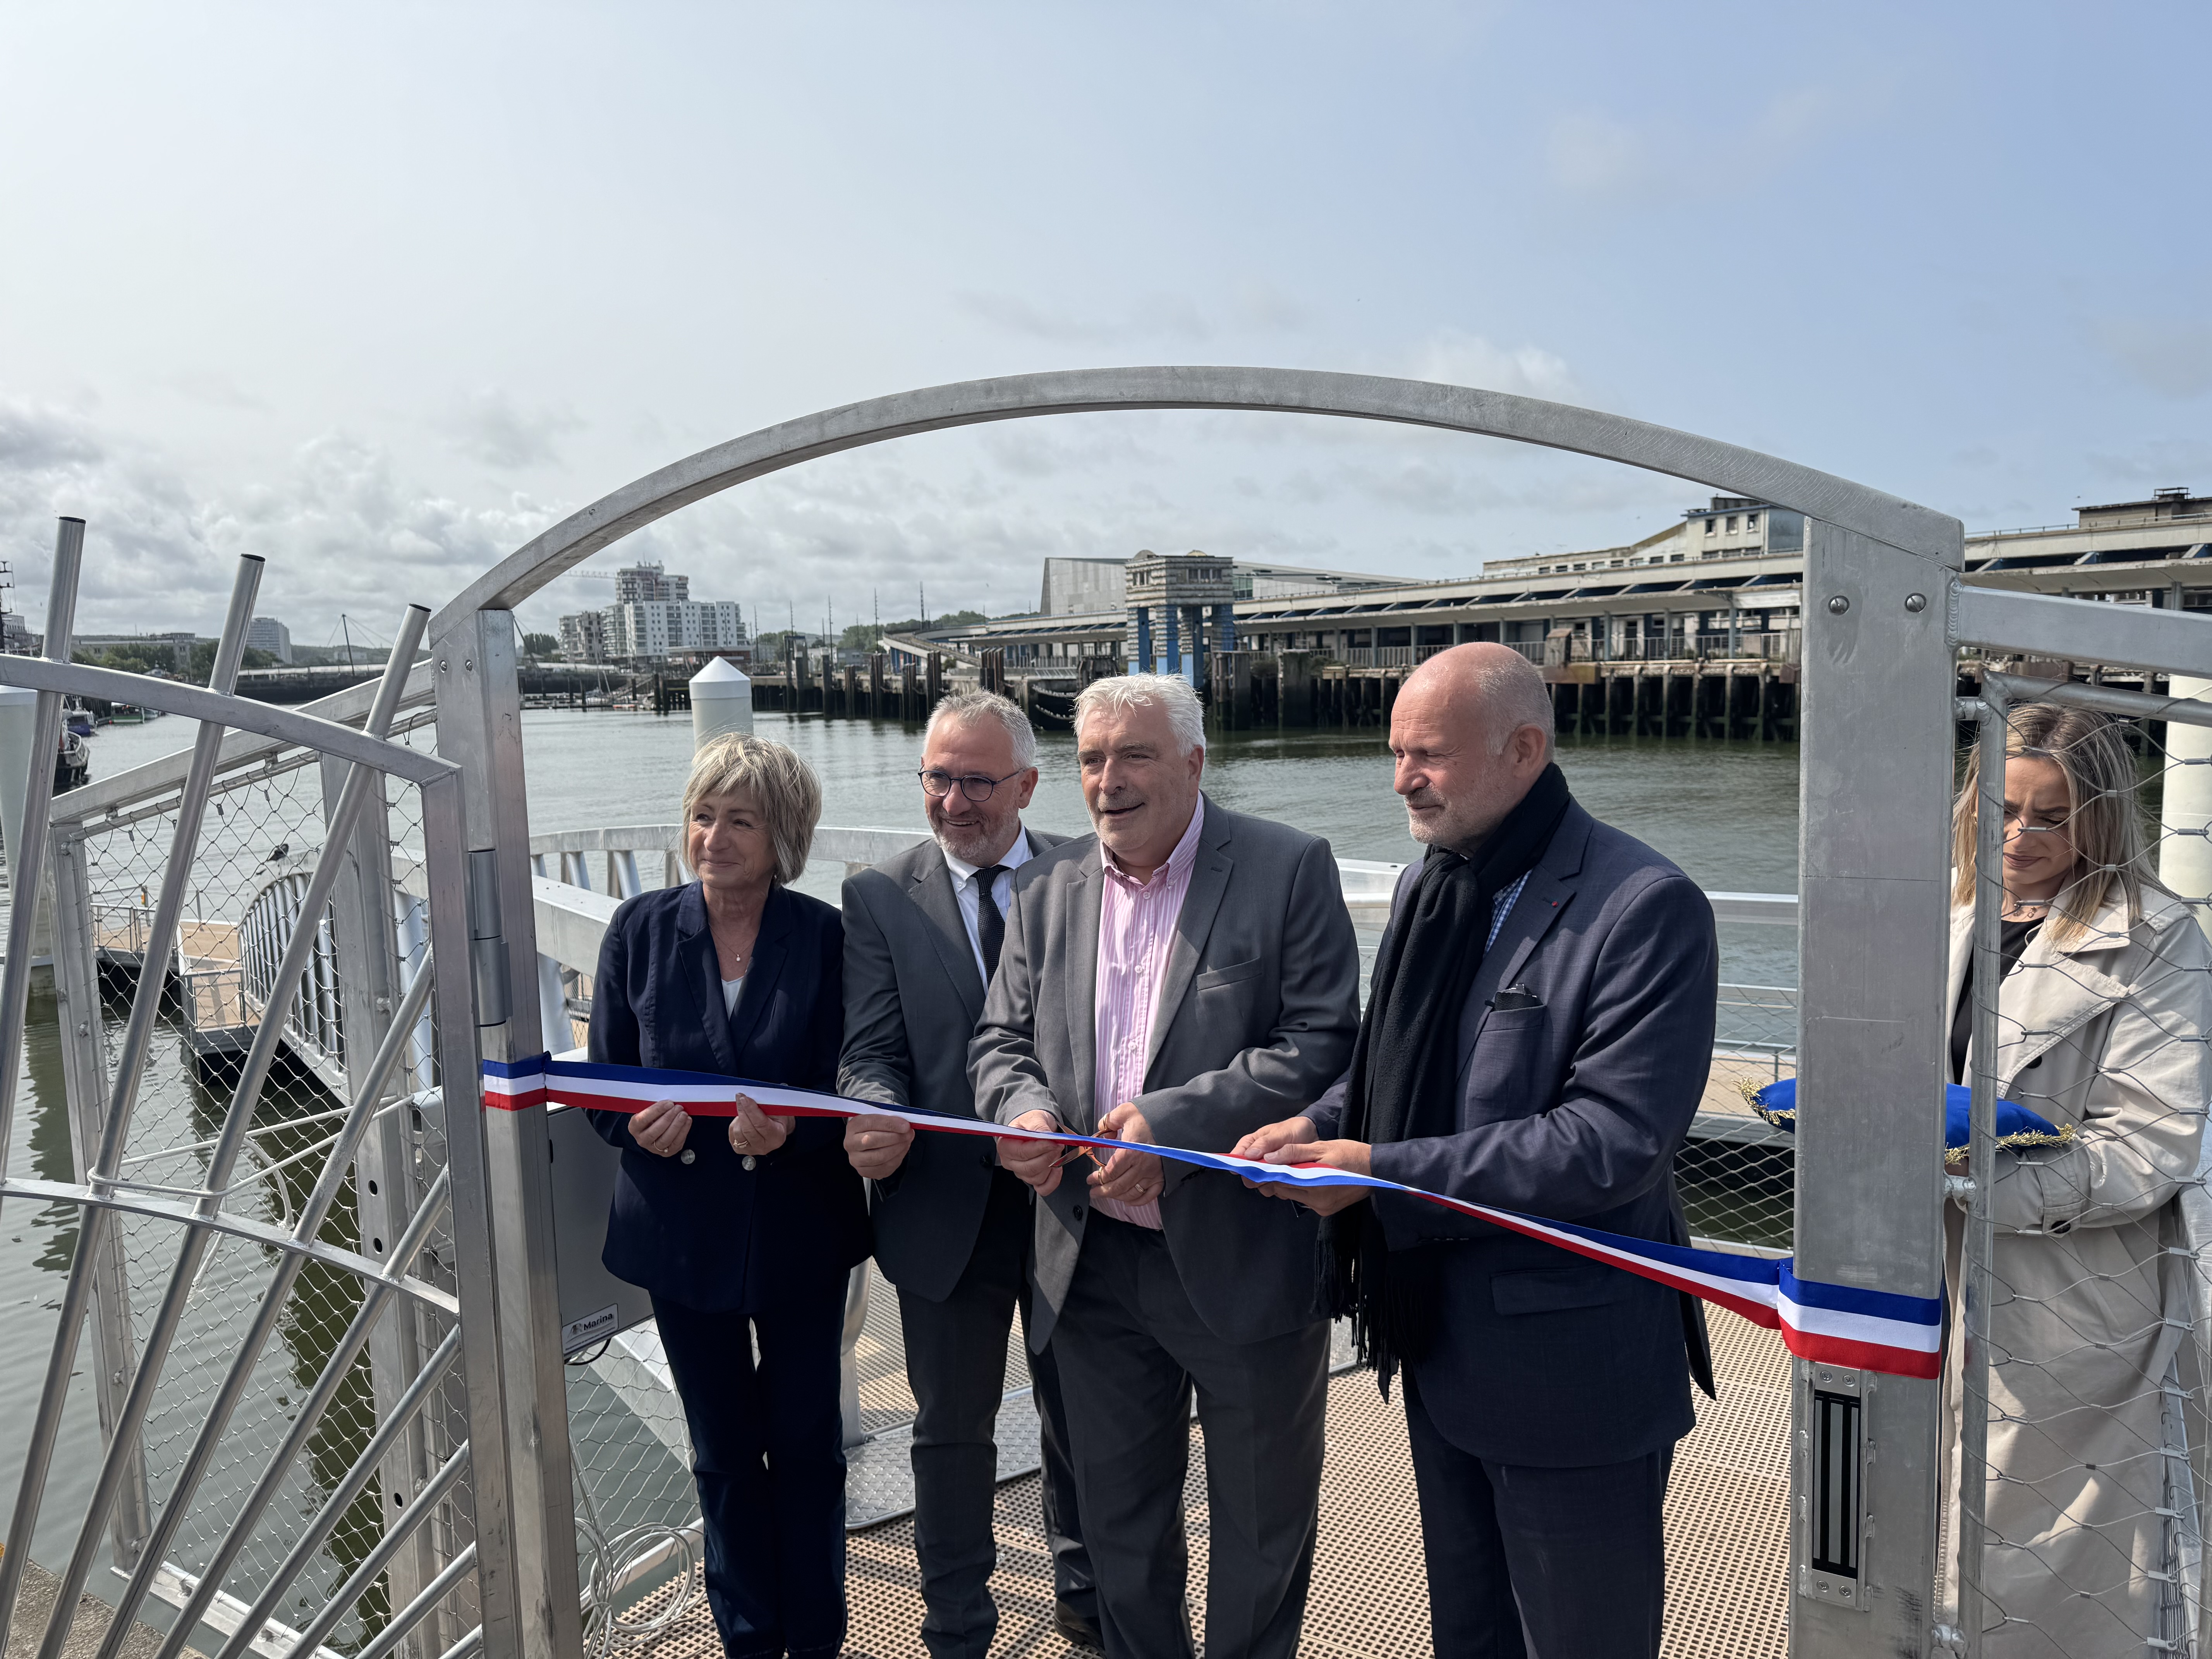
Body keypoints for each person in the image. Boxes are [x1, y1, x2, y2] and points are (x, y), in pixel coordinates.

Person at [1235, 643, 1717, 1659]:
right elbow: (1390, 1066)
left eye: (1429, 755)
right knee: (1472, 1632)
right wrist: (1321, 1126)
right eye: (1397, 750)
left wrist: (1380, 1172)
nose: (1402, 777)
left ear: (1525, 749)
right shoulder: (1433, 884)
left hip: (1570, 1373)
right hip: (1438, 1340)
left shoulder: (1645, 905)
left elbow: (1610, 1143)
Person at [972, 673, 1360, 1659]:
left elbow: (1319, 1041)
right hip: (1091, 1262)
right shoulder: (1048, 887)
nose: (1108, 779)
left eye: (1134, 755)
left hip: (1243, 1256)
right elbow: (1000, 1041)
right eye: (1092, 758)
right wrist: (1019, 1107)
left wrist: (1173, 1130)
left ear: (1193, 762)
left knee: (1263, 1528)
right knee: (1120, 1530)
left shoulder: (1286, 867)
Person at [1939, 704, 2210, 1657]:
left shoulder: (2160, 941)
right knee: (1904, 1512)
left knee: (2044, 1563)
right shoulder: (1948, 910)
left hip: (2063, 1292)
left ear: (2101, 817)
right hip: (1925, 1274)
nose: (2020, 837)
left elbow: (2153, 1144)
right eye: (2003, 809)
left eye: (2052, 818)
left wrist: (1972, 1191)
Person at [587, 734, 866, 1659]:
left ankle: (817, 1636)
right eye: (704, 816)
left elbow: (851, 1083)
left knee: (808, 1450)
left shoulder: (823, 935)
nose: (714, 836)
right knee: (722, 1456)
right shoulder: (639, 929)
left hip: (799, 1232)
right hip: (681, 1234)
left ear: (783, 834)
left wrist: (796, 1132)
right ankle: (749, 1638)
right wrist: (635, 1127)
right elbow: (605, 1087)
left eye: (740, 819)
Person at [837, 690, 1100, 1656]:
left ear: (1027, 785)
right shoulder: (877, 895)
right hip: (941, 1206)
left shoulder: (1090, 874)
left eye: (978, 782)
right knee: (951, 1431)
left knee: (1082, 1409)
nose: (955, 802)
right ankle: (956, 1621)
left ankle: (1086, 1591)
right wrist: (873, 1109)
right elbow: (871, 1048)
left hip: (1067, 1202)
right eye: (938, 779)